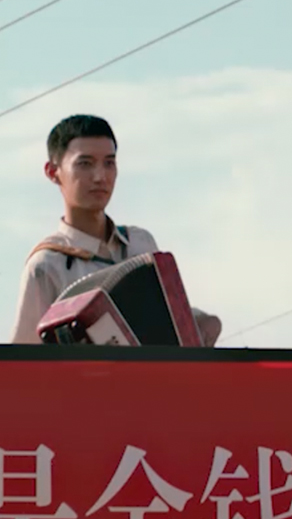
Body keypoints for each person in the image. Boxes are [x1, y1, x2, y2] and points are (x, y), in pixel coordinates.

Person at [11, 115, 222, 346]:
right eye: (85, 164)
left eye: (109, 163)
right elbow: (24, 358)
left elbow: (168, 318)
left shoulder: (141, 244)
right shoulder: (47, 265)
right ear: (53, 172)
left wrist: (199, 322)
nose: (100, 176)